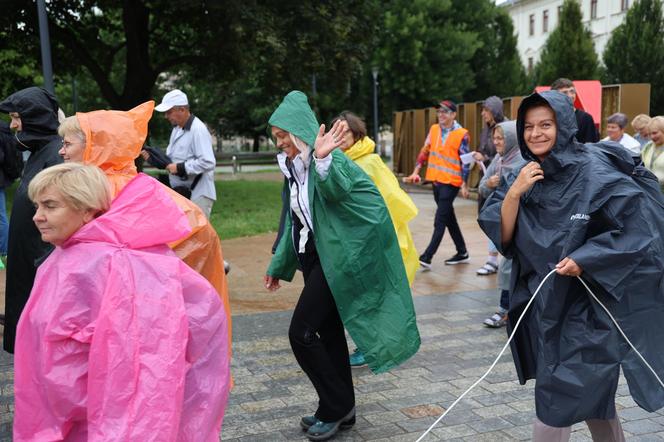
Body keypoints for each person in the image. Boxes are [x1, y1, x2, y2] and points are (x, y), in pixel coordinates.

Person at [479, 90, 664, 441]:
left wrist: (586, 258)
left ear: (562, 125)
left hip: (587, 310)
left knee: (558, 397)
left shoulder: (595, 169)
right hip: (542, 304)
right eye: (529, 126)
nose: (536, 134)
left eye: (545, 125)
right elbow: (503, 236)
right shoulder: (522, 173)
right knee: (593, 399)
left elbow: (635, 233)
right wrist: (515, 193)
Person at [14, 163, 229, 441]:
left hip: (95, 420)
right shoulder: (68, 255)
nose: (37, 217)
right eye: (37, 207)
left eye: (50, 206)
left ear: (87, 209)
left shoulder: (116, 264)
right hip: (66, 414)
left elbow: (137, 373)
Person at [265, 91, 420, 441]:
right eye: (275, 138)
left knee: (300, 333)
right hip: (315, 258)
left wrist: (321, 160)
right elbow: (295, 221)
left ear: (297, 133)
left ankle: (333, 407)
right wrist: (279, 265)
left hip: (341, 260)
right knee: (328, 333)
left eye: (281, 137)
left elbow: (335, 193)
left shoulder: (333, 162)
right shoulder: (292, 168)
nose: (279, 144)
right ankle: (342, 410)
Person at [56, 101, 232, 353]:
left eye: (68, 144)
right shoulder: (122, 186)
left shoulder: (106, 191)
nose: (61, 151)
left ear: (94, 145)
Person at [333, 110, 419, 367]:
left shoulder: (368, 161)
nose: (342, 136)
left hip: (373, 238)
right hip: (355, 239)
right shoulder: (342, 159)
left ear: (356, 132)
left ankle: (370, 346)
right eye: (338, 131)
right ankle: (374, 343)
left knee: (370, 293)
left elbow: (387, 199)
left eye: (346, 130)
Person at [0, 87, 63, 353]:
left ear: (34, 117)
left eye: (17, 117)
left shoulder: (56, 154)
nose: (13, 125)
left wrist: (43, 263)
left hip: (40, 266)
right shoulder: (40, 151)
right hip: (29, 265)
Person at [405, 99, 470, 269]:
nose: (441, 115)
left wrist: (464, 183)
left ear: (453, 115)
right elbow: (424, 151)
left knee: (440, 219)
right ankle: (462, 252)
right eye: (439, 112)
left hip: (451, 183)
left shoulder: (462, 134)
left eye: (445, 112)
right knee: (449, 218)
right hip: (436, 182)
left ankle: (427, 256)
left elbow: (465, 161)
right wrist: (416, 171)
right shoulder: (434, 130)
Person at [478, 121, 525, 327]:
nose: (496, 142)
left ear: (512, 139)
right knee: (507, 266)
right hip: (501, 220)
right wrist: (488, 184)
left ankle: (507, 310)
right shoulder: (498, 159)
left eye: (501, 138)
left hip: (521, 222)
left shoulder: (524, 160)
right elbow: (481, 187)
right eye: (494, 138)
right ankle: (507, 309)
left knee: (510, 266)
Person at [148, 89, 216, 218]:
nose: (166, 116)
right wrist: (158, 160)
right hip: (185, 192)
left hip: (198, 193)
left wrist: (180, 167)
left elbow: (208, 162)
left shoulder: (198, 130)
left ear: (182, 110)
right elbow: (174, 160)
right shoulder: (177, 129)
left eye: (169, 112)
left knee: (196, 237)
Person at [474, 96, 506, 276]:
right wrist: (479, 155)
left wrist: (485, 158)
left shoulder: (505, 128)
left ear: (494, 110)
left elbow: (502, 152)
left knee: (496, 219)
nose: (482, 113)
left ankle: (493, 259)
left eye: (485, 110)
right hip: (487, 179)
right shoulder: (485, 129)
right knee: (488, 218)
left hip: (499, 182)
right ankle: (493, 258)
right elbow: (486, 150)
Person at [550, 78, 599, 143]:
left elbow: (591, 147)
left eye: (572, 91)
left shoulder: (585, 118)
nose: (570, 96)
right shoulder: (550, 117)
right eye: (565, 92)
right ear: (555, 96)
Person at [0, 122, 15, 262]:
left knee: (1, 216)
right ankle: (4, 250)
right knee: (1, 216)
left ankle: (4, 250)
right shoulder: (4, 129)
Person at [641, 115, 664, 192]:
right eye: (649, 134)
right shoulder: (648, 146)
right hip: (650, 193)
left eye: (655, 133)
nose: (652, 137)